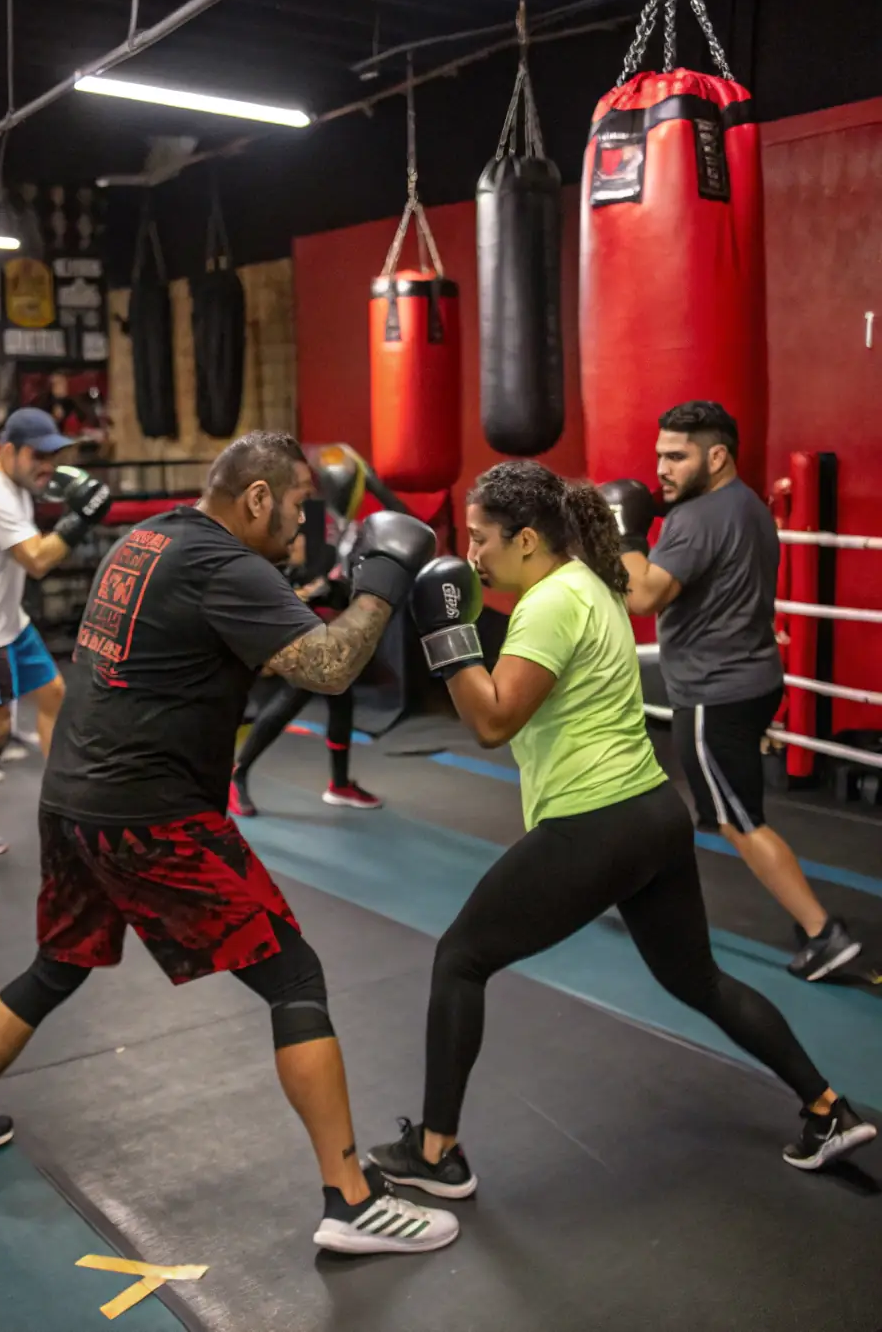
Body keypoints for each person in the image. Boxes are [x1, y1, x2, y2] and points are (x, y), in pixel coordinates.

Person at [0, 431, 460, 1258]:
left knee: (58, 964)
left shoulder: (146, 537)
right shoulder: (226, 566)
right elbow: (331, 667)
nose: (302, 523)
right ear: (257, 498)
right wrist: (383, 583)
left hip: (71, 799)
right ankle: (353, 1199)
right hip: (149, 816)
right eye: (296, 505)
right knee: (293, 972)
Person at [368, 460, 876, 1199]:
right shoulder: (587, 584)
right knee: (696, 977)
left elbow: (492, 718)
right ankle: (827, 1109)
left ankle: (439, 1151)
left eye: (481, 539)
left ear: (529, 538)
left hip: (594, 820)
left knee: (460, 958)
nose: (472, 554)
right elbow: (523, 672)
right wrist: (467, 617)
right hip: (652, 814)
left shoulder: (550, 603)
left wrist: (443, 628)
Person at [601, 401, 860, 981]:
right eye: (659, 455)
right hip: (753, 678)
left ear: (716, 456)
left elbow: (643, 598)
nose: (662, 468)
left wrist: (625, 535)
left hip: (714, 693)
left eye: (677, 456)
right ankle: (642, 881)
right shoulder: (747, 505)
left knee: (738, 818)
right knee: (708, 805)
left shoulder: (695, 520)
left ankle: (825, 935)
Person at [0, 407, 111, 855]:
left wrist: (64, 486)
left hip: (6, 617)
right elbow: (36, 560)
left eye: (52, 457)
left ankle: (63, 799)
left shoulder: (15, 482)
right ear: (9, 450)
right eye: (38, 456)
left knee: (53, 693)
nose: (47, 467)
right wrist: (81, 518)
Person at [230, 531, 381, 816]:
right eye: (295, 540)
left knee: (341, 698)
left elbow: (335, 599)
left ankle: (339, 784)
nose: (301, 544)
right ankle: (238, 772)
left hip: (318, 646)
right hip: (285, 650)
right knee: (292, 700)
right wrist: (309, 594)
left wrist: (335, 589)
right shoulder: (269, 570)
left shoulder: (308, 566)